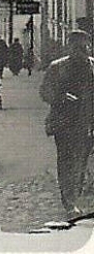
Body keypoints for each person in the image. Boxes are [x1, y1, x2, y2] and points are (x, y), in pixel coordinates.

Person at [40, 30, 94, 214]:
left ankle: (73, 195)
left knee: (80, 161)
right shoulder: (57, 67)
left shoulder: (93, 67)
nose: (82, 50)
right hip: (64, 123)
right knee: (66, 161)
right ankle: (69, 201)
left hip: (86, 123)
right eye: (77, 47)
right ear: (69, 47)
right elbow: (45, 92)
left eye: (85, 46)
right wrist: (62, 97)